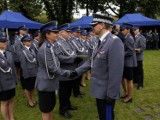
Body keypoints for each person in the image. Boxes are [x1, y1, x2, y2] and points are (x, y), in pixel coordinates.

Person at [70, 13, 124, 120]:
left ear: (102, 25)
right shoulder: (101, 41)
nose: (92, 27)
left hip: (107, 91)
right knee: (102, 116)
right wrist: (76, 72)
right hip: (100, 90)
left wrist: (111, 94)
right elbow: (92, 60)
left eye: (94, 25)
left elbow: (116, 71)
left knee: (107, 117)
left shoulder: (114, 42)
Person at [35, 21, 71, 120]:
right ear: (47, 35)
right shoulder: (45, 48)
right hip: (46, 84)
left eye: (57, 32)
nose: (57, 34)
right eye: (55, 33)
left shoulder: (51, 46)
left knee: (50, 107)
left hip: (50, 82)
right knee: (46, 110)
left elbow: (57, 61)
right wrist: (67, 73)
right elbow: (51, 67)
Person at [54, 23, 78, 118]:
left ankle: (68, 105)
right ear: (61, 32)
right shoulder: (57, 43)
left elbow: (73, 52)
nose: (69, 33)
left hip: (71, 69)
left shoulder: (67, 41)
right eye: (67, 31)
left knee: (68, 91)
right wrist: (73, 59)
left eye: (69, 31)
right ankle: (63, 109)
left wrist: (76, 57)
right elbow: (59, 57)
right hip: (63, 72)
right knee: (64, 92)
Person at [0, 31, 17, 120]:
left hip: (11, 82)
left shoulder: (9, 53)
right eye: (2, 42)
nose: (5, 43)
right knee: (4, 102)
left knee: (11, 100)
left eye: (5, 41)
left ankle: (11, 117)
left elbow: (13, 68)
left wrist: (15, 81)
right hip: (2, 84)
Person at [19, 35, 38, 107]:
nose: (30, 42)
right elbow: (23, 65)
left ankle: (32, 98)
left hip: (34, 72)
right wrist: (26, 75)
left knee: (32, 87)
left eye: (30, 41)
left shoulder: (32, 50)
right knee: (28, 88)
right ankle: (29, 101)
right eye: (28, 41)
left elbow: (34, 61)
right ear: (23, 42)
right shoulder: (22, 52)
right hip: (27, 73)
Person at [121, 23, 137, 103]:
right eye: (122, 29)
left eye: (124, 29)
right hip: (125, 62)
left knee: (129, 80)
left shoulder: (129, 38)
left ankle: (130, 97)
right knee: (122, 78)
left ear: (128, 30)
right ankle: (126, 93)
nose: (122, 31)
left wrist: (121, 53)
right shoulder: (127, 37)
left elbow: (130, 52)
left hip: (129, 63)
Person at [132, 25, 146, 90]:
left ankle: (140, 84)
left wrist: (136, 51)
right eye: (133, 30)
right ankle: (135, 80)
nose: (134, 31)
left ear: (138, 30)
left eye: (135, 30)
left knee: (139, 70)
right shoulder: (133, 36)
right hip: (133, 56)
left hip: (138, 56)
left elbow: (142, 47)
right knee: (135, 70)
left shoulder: (141, 37)